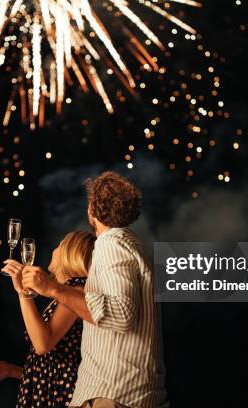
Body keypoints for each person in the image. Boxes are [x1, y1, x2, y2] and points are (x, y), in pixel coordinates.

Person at [21, 171, 169, 408]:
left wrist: (53, 289)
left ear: (92, 208)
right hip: (125, 394)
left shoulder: (111, 243)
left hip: (114, 393)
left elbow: (120, 315)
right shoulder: (131, 245)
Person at [0, 231, 95, 407]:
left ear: (70, 252)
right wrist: (12, 370)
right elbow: (52, 366)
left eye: (60, 245)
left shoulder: (76, 290)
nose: (54, 250)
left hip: (58, 397)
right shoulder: (67, 292)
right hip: (51, 391)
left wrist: (23, 293)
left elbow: (43, 344)